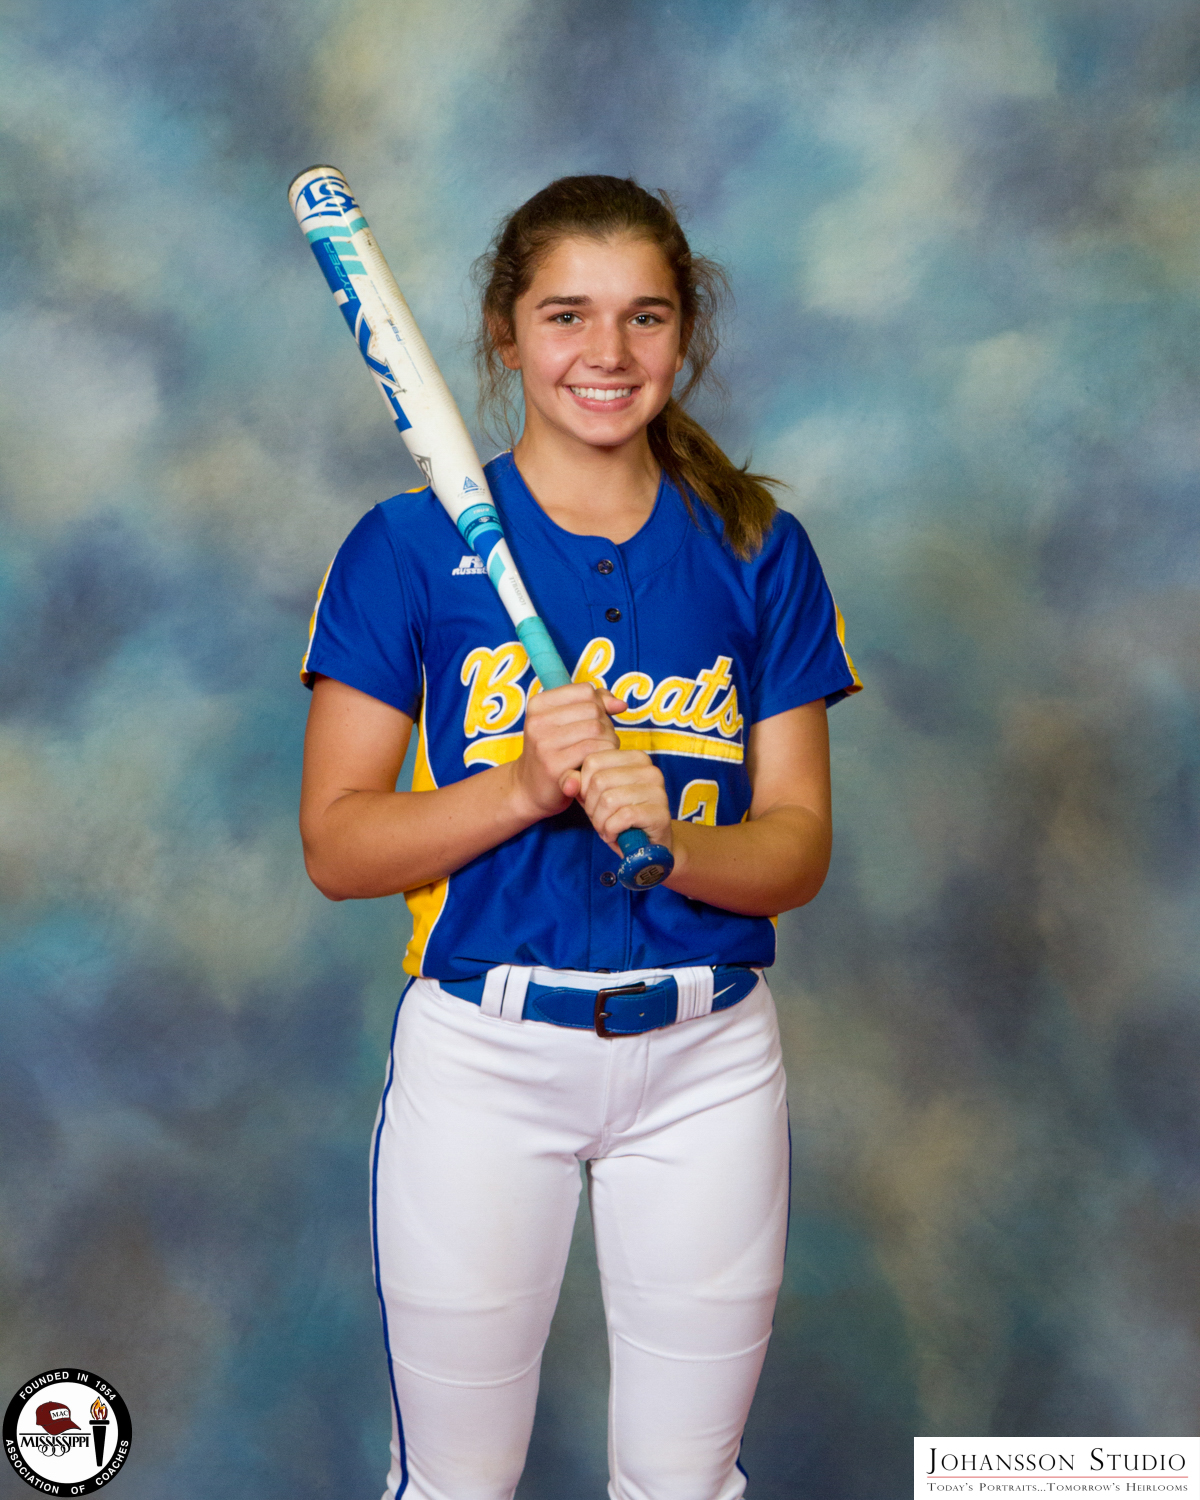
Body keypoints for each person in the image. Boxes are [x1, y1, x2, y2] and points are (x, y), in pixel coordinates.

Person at [299, 175, 861, 1500]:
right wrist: (517, 791)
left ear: (685, 334)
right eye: (566, 315)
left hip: (710, 1061)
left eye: (644, 316)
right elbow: (338, 848)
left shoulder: (759, 549)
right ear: (505, 334)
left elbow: (797, 850)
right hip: (485, 1059)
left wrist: (675, 840)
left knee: (685, 1486)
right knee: (457, 1486)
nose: (606, 353)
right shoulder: (405, 549)